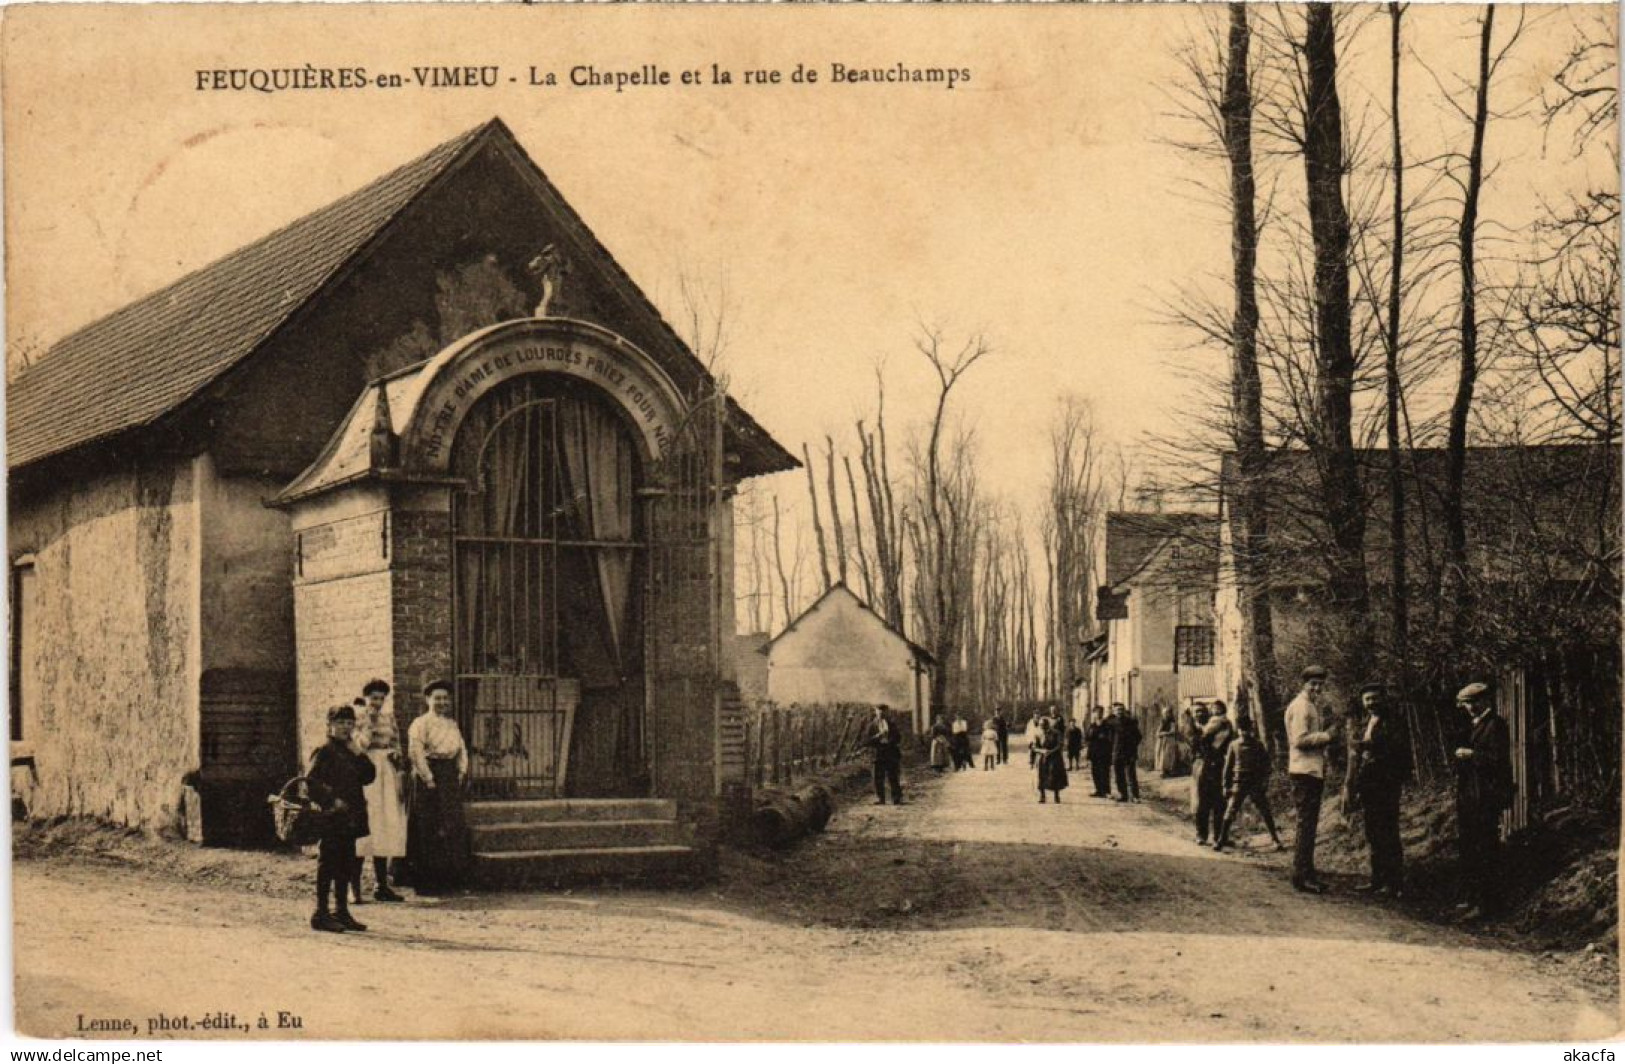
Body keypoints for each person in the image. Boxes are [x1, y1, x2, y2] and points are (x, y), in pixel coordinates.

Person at [306, 703, 376, 933]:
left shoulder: (351, 750)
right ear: (329, 725)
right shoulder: (324, 750)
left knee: (346, 862)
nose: (346, 728)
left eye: (349, 723)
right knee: (328, 863)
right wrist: (331, 801)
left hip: (351, 815)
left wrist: (359, 753)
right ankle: (321, 913)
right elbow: (310, 783)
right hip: (332, 816)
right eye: (340, 723)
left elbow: (369, 777)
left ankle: (342, 911)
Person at [1450, 682, 1514, 921]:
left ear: (1485, 701)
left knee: (1485, 848)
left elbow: (1498, 760)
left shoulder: (1496, 725)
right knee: (1470, 847)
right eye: (1467, 703)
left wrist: (1471, 755)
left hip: (1486, 796)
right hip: (1471, 794)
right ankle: (1473, 898)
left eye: (1473, 702)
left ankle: (1487, 904)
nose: (1470, 708)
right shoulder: (1474, 725)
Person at [407, 679, 470, 895]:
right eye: (437, 698)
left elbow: (461, 748)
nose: (442, 702)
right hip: (430, 776)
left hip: (449, 775)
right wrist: (428, 778)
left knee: (451, 825)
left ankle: (450, 879)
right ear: (428, 700)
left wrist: (461, 771)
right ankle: (426, 882)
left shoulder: (451, 724)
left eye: (445, 698)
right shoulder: (420, 723)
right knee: (428, 827)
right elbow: (416, 751)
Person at [1351, 683, 1411, 897]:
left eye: (1375, 698)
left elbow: (1397, 749)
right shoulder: (1367, 721)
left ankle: (1394, 883)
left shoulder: (1394, 720)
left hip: (1386, 783)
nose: (1371, 703)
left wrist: (1368, 748)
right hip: (1370, 785)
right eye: (1367, 699)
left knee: (1388, 832)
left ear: (1384, 698)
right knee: (1373, 832)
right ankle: (1377, 879)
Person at [1284, 665, 1337, 893]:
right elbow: (1299, 740)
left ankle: (1307, 872)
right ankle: (1301, 875)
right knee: (1306, 824)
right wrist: (1327, 736)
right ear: (1304, 683)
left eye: (1320, 684)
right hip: (1304, 771)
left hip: (1311, 770)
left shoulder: (1310, 706)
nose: (1317, 688)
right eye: (1313, 684)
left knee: (1309, 824)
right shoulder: (1301, 707)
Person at [354, 680, 407, 903]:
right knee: (366, 825)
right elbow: (358, 746)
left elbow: (396, 743)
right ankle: (354, 888)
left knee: (385, 824)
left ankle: (381, 885)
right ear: (365, 698)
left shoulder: (389, 718)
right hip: (367, 772)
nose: (377, 702)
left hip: (386, 772)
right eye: (373, 698)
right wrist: (369, 725)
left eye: (381, 698)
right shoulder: (358, 718)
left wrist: (395, 755)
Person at [1214, 715, 1283, 852]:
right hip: (1238, 783)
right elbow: (1227, 768)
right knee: (1230, 810)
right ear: (1238, 730)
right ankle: (1221, 840)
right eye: (1242, 730)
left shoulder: (1258, 745)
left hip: (1255, 783)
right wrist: (1225, 786)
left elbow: (1267, 765)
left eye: (1246, 729)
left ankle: (1275, 839)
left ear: (1250, 729)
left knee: (1265, 811)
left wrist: (1265, 782)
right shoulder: (1233, 745)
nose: (1244, 733)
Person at [1193, 702, 1235, 846]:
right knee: (1206, 801)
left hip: (1218, 764)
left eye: (1217, 708)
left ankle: (1216, 835)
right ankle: (1203, 834)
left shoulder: (1224, 724)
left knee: (1218, 802)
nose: (1214, 710)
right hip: (1209, 763)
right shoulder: (1207, 727)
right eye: (1213, 708)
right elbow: (1200, 743)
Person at [865, 704, 905, 805]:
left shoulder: (892, 724)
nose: (882, 713)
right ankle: (880, 798)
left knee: (893, 776)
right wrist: (878, 736)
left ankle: (896, 798)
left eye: (884, 711)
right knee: (878, 777)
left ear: (887, 712)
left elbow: (898, 738)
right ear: (876, 712)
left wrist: (890, 741)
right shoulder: (871, 726)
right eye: (879, 711)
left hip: (890, 753)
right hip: (878, 754)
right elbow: (866, 741)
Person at [1110, 703, 1142, 802]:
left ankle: (1135, 796)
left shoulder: (1130, 722)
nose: (1119, 712)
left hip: (1129, 753)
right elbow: (1109, 738)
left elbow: (1138, 736)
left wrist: (1132, 747)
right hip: (1117, 752)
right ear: (1114, 712)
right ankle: (1123, 795)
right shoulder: (1112, 723)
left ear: (1124, 711)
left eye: (1121, 710)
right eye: (1117, 710)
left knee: (1131, 775)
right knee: (1119, 775)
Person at [1034, 719, 1068, 803]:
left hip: (1055, 757)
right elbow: (1034, 747)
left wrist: (1051, 751)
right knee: (1041, 776)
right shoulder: (1038, 734)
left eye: (1043, 725)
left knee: (1054, 776)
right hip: (1044, 757)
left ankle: (1056, 796)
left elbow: (1060, 745)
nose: (1042, 727)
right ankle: (1042, 796)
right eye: (1040, 725)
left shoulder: (1056, 733)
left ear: (1047, 725)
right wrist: (1042, 751)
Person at [1085, 707, 1114, 797]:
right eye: (1096, 712)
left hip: (1104, 752)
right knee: (1095, 771)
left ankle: (1106, 791)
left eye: (1100, 712)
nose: (1098, 714)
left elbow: (1110, 738)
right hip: (1094, 751)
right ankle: (1098, 790)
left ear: (1102, 713)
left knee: (1104, 771)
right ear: (1094, 714)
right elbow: (1087, 738)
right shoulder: (1092, 725)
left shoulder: (1107, 725)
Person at [1155, 707, 1179, 777]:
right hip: (1162, 741)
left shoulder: (1172, 722)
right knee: (1162, 755)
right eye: (1165, 713)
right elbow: (1157, 733)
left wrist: (1164, 733)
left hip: (1169, 741)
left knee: (1169, 755)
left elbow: (1173, 731)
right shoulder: (1162, 722)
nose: (1166, 715)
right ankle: (1162, 770)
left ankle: (1169, 770)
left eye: (1167, 713)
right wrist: (1163, 733)